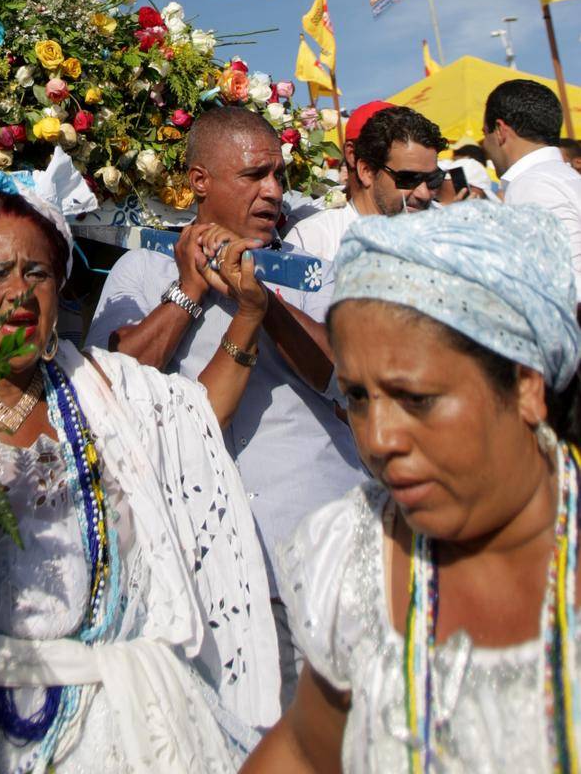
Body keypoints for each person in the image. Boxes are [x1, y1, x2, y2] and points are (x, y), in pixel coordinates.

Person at [0, 149, 281, 773]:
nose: (20, 292)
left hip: (124, 719)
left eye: (38, 273)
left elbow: (199, 417)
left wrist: (251, 316)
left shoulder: (104, 386)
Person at [244, 200, 581, 773]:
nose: (378, 438)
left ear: (525, 386)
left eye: (416, 399)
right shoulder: (357, 552)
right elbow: (306, 748)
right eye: (356, 397)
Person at [87, 106, 362, 712]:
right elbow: (112, 383)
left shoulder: (311, 268)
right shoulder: (142, 266)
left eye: (281, 177)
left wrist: (263, 304)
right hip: (209, 560)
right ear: (199, 182)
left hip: (323, 540)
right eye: (255, 175)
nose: (273, 191)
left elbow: (345, 376)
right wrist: (188, 290)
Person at [287, 105, 444, 264]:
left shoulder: (446, 231)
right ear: (366, 171)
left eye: (433, 178)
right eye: (409, 178)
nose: (423, 193)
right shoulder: (314, 239)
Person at [483, 77, 581, 289]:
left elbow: (569, 286)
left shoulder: (532, 184)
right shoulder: (564, 177)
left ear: (499, 130)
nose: (485, 144)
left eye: (485, 133)